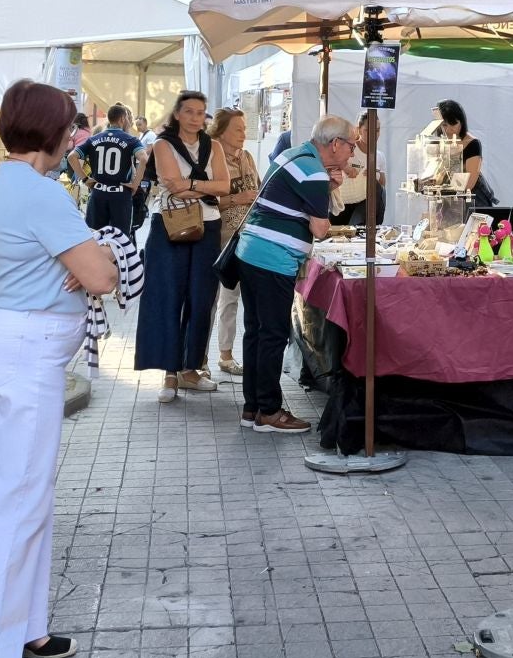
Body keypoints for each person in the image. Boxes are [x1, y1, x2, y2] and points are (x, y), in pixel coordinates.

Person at [0, 80, 128, 658]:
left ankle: (24, 627)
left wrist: (76, 269)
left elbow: (79, 272)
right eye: (69, 127)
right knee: (20, 498)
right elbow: (102, 275)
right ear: (53, 133)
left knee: (30, 493)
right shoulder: (40, 193)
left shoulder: (7, 181)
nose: (73, 136)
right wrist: (88, 265)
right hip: (28, 348)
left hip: (20, 342)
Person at [233, 116, 357, 433]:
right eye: (352, 146)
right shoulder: (313, 171)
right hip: (273, 258)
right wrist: (327, 191)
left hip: (251, 251)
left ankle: (253, 407)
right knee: (273, 334)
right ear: (336, 144)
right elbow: (320, 227)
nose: (353, 154)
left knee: (257, 332)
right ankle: (270, 412)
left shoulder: (296, 154)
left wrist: (328, 185)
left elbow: (295, 195)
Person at [133, 91, 229, 402]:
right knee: (168, 296)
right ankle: (170, 373)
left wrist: (189, 185)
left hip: (209, 225)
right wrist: (204, 187)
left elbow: (224, 187)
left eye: (200, 112)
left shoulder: (213, 145)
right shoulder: (163, 144)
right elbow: (168, 181)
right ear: (177, 114)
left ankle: (191, 369)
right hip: (169, 225)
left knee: (202, 299)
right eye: (188, 111)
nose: (195, 117)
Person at [210, 107, 260, 378]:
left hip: (243, 236)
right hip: (216, 236)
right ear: (222, 131)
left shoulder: (247, 157)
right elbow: (201, 199)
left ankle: (225, 356)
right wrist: (236, 199)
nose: (244, 134)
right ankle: (197, 360)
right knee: (210, 298)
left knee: (231, 297)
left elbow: (259, 188)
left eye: (244, 128)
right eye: (238, 129)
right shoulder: (210, 157)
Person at [71, 104, 144, 239]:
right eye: (128, 118)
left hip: (98, 192)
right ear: (122, 118)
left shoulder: (93, 139)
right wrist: (135, 183)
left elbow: (72, 157)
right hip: (120, 193)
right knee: (121, 240)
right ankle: (117, 260)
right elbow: (144, 158)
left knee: (95, 237)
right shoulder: (131, 140)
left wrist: (85, 179)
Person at [435, 99, 492, 207]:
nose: (449, 130)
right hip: (447, 198)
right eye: (445, 125)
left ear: (461, 122)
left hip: (471, 199)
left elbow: (469, 183)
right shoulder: (441, 142)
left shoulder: (473, 144)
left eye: (454, 124)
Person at [334, 114, 385, 227]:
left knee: (357, 228)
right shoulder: (348, 148)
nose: (374, 135)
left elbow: (382, 184)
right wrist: (345, 167)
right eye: (368, 130)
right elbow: (332, 160)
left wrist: (374, 175)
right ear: (359, 130)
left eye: (377, 130)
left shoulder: (379, 156)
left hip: (365, 203)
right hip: (343, 200)